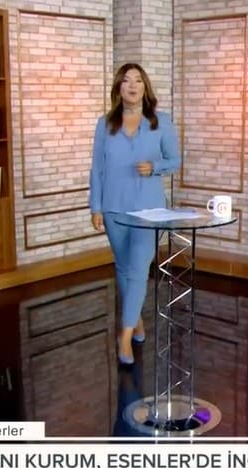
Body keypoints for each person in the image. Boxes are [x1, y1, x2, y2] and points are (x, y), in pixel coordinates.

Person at [89, 63, 181, 364]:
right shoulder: (105, 124)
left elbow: (175, 160)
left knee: (139, 269)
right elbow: (97, 169)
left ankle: (125, 336)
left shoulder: (161, 122)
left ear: (145, 87)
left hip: (150, 210)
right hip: (114, 207)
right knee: (123, 267)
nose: (132, 85)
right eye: (126, 80)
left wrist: (155, 167)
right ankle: (136, 321)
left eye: (138, 80)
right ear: (119, 87)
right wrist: (96, 207)